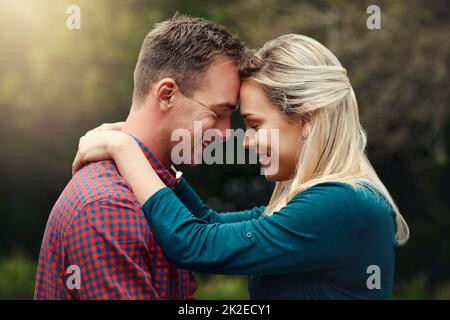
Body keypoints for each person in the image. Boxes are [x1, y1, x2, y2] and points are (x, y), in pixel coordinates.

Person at [73, 34, 410, 299]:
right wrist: (155, 163)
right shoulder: (331, 200)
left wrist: (124, 149)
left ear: (306, 118)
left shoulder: (340, 205)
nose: (244, 142)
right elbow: (209, 223)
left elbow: (196, 244)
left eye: (254, 125)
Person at [34, 14, 248, 299]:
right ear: (166, 95)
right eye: (218, 113)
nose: (225, 134)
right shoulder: (109, 208)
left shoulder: (157, 193)